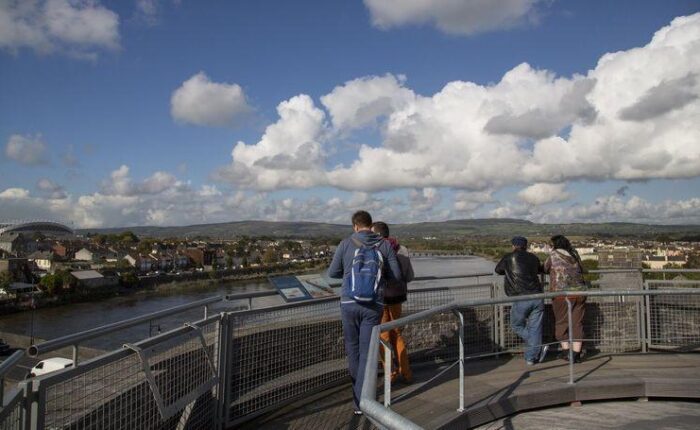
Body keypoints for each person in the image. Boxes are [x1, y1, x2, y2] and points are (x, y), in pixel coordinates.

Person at [328, 211, 402, 415]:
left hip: (348, 303)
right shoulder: (384, 245)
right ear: (370, 225)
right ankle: (363, 401)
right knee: (367, 352)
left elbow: (332, 273)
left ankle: (358, 398)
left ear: (355, 226)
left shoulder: (345, 243)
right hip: (373, 305)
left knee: (352, 351)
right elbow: (397, 276)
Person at [371, 221, 415, 384]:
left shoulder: (374, 249)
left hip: (380, 298)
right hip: (398, 297)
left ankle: (391, 374)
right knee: (397, 333)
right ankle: (407, 372)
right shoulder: (402, 249)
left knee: (383, 335)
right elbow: (410, 276)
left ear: (376, 234)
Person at [494, 236, 547, 365]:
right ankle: (531, 358)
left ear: (513, 246)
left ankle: (536, 346)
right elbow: (539, 269)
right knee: (536, 328)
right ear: (526, 246)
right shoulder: (533, 257)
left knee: (516, 325)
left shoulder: (508, 257)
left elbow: (498, 270)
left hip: (521, 297)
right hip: (538, 296)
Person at [544, 235, 587, 363]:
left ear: (554, 245)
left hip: (561, 294)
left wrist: (549, 253)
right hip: (580, 293)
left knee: (561, 322)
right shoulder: (574, 254)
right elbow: (582, 269)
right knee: (577, 323)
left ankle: (566, 352)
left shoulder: (553, 255)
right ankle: (576, 355)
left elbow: (545, 268)